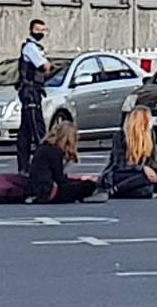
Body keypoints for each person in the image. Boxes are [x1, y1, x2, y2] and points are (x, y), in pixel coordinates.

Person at [24, 118, 99, 204]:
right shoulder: (55, 151)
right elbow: (59, 179)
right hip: (49, 191)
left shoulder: (44, 147)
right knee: (89, 185)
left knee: (78, 183)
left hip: (39, 189)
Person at [101, 108, 157, 199]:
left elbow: (155, 157)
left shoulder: (150, 135)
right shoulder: (120, 136)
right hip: (121, 174)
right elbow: (120, 164)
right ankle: (115, 190)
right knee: (144, 179)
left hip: (139, 175)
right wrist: (142, 168)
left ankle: (133, 191)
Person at [14, 19, 52, 169]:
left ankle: (24, 166)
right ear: (31, 30)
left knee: (25, 130)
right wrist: (47, 66)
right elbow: (44, 66)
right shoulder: (31, 48)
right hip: (30, 91)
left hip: (31, 90)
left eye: (44, 30)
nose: (41, 33)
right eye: (38, 30)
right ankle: (42, 165)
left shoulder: (36, 48)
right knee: (37, 129)